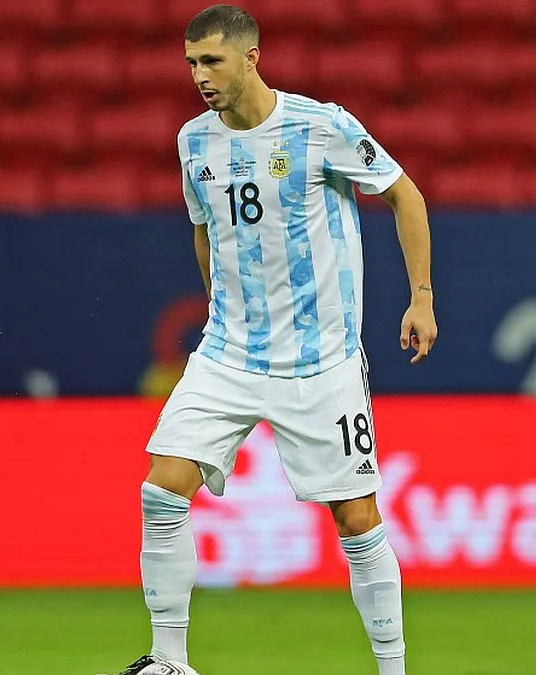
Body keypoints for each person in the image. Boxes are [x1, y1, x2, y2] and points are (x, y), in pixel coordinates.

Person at [113, 6, 439, 675]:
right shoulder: (193, 142)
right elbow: (203, 226)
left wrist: (422, 297)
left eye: (212, 61)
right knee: (161, 487)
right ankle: (169, 660)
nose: (200, 76)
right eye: (192, 63)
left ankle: (393, 669)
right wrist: (217, 305)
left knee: (356, 519)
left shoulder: (321, 126)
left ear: (251, 56)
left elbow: (406, 196)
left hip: (320, 359)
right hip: (230, 351)